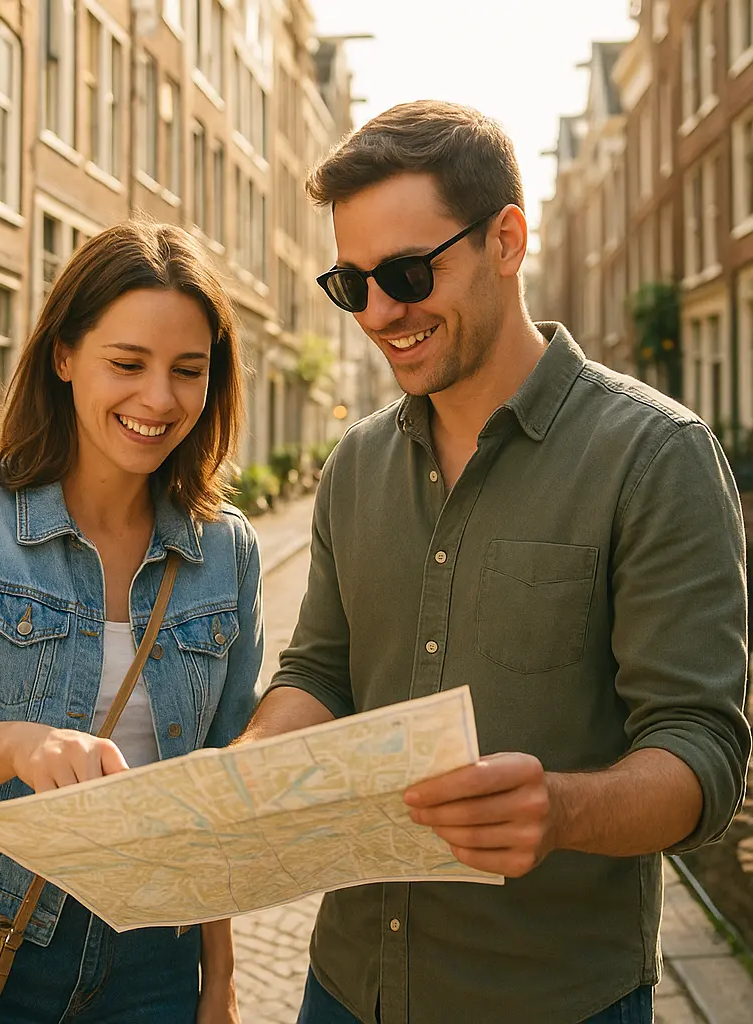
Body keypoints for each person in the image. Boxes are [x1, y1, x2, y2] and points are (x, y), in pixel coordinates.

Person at [239, 100, 751, 1024]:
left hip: (554, 1002)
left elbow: (702, 752)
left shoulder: (656, 457)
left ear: (507, 239)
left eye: (404, 272)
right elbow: (320, 668)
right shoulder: (354, 462)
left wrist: (560, 810)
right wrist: (252, 761)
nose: (380, 315)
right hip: (344, 988)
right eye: (352, 285)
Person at [0, 221, 263, 1023]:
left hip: (154, 964)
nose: (159, 399)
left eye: (188, 371)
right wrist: (13, 745)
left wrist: (220, 981)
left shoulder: (227, 551)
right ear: (64, 357)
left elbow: (221, 793)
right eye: (128, 364)